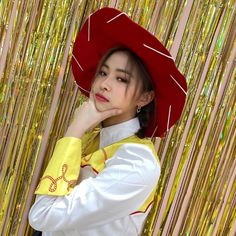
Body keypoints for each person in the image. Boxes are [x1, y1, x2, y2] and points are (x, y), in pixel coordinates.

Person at [28, 7, 187, 236]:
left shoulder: (137, 162)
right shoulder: (91, 141)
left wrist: (74, 130)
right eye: (103, 73)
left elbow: (42, 215)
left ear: (145, 97)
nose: (105, 84)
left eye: (121, 78)